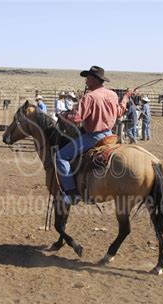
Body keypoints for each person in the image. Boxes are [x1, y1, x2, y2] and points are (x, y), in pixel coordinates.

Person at [56, 66, 130, 205]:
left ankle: (71, 193)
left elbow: (77, 117)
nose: (86, 81)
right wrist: (126, 97)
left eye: (88, 78)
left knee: (60, 156)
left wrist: (64, 114)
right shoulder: (113, 95)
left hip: (94, 136)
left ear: (95, 80)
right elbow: (119, 112)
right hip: (110, 135)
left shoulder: (89, 96)